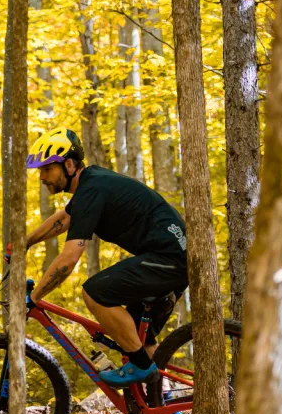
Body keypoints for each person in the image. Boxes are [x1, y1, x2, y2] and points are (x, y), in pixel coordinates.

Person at [21, 127, 189, 388]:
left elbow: (67, 261)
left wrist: (34, 298)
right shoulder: (91, 185)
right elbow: (65, 218)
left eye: (46, 169)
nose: (41, 176)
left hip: (168, 258)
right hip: (171, 258)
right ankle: (162, 410)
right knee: (139, 339)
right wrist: (26, 242)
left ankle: (141, 367)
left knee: (95, 292)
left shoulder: (92, 189)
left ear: (68, 165)